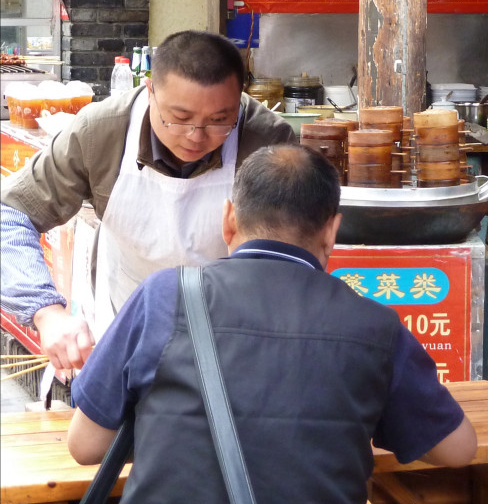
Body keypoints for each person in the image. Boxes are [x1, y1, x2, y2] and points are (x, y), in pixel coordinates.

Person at [67, 145, 477, 504]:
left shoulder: (163, 296)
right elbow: (458, 447)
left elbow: (85, 446)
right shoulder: (374, 326)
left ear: (228, 219)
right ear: (331, 231)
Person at [1, 30, 296, 376]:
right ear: (150, 91)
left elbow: (292, 258)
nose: (196, 136)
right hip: (127, 329)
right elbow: (11, 214)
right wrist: (45, 311)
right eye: (180, 117)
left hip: (236, 342)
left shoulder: (269, 143)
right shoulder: (101, 132)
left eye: (219, 121)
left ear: (239, 98)